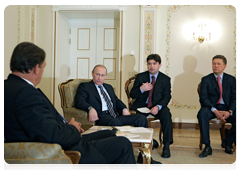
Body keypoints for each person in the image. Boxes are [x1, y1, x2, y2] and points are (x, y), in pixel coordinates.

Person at [4, 42, 138, 170]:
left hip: (56, 141)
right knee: (123, 144)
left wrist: (65, 125)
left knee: (109, 134)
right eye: (43, 67)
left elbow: (39, 125)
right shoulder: (25, 94)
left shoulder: (8, 87)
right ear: (35, 68)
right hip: (61, 151)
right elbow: (51, 135)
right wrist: (71, 128)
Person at [75, 64, 161, 166]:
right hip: (101, 116)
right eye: (97, 74)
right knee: (115, 122)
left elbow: (116, 101)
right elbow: (79, 102)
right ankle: (119, 154)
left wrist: (124, 108)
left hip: (115, 115)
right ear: (92, 74)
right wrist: (90, 108)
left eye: (102, 75)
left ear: (105, 76)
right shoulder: (85, 86)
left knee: (141, 118)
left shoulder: (108, 87)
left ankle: (142, 156)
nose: (99, 78)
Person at [130, 54, 173, 159]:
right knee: (139, 118)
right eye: (149, 63)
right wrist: (141, 89)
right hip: (141, 106)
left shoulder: (165, 79)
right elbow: (132, 94)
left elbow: (167, 97)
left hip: (157, 106)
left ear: (159, 65)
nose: (151, 66)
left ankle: (166, 145)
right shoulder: (141, 77)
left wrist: (158, 107)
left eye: (154, 63)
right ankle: (144, 145)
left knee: (167, 115)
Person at [197, 55, 238, 158]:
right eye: (214, 63)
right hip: (211, 107)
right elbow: (203, 98)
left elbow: (235, 98)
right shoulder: (206, 79)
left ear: (224, 66)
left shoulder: (231, 79)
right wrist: (215, 110)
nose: (216, 66)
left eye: (219, 64)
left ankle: (227, 142)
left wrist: (230, 111)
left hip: (226, 108)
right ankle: (207, 146)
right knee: (202, 114)